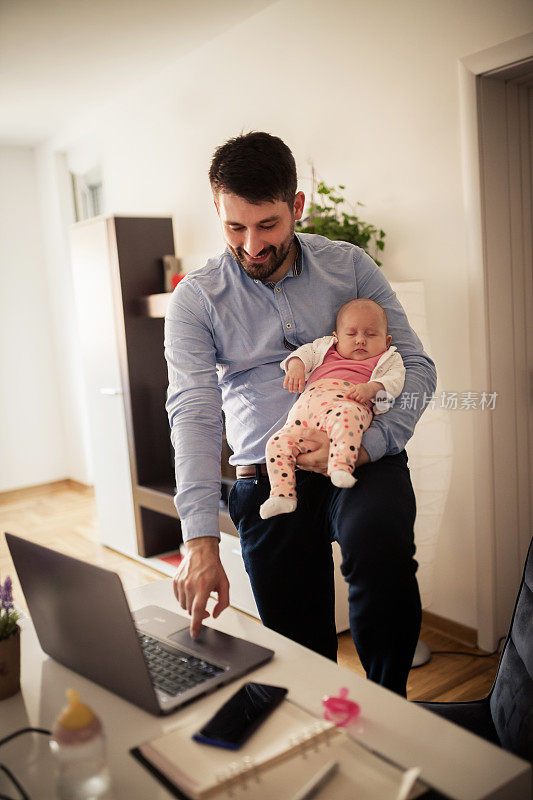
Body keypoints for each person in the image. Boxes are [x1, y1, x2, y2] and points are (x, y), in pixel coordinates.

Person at [165, 131, 437, 696]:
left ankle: (390, 707)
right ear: (218, 211)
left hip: (358, 455)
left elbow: (416, 366)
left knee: (379, 545)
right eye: (234, 226)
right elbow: (193, 410)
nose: (251, 245)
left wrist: (371, 444)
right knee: (299, 654)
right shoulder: (195, 298)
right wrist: (197, 540)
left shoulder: (351, 267)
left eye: (266, 225)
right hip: (266, 472)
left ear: (296, 206)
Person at [259, 297, 405, 519]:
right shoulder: (324, 348)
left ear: (387, 340)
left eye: (370, 334)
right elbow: (304, 354)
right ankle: (282, 494)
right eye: (352, 333)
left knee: (345, 417)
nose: (360, 341)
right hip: (304, 414)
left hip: (348, 403)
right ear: (336, 337)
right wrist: (296, 365)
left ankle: (340, 466)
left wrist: (373, 388)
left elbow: (396, 381)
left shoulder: (388, 358)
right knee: (277, 442)